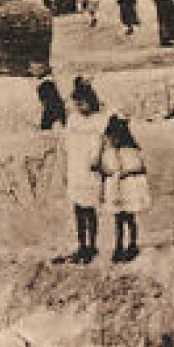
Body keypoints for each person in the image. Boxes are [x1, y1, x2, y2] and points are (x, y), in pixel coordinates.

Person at [57, 76, 106, 263]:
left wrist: (95, 160)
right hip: (76, 166)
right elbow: (68, 144)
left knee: (89, 207)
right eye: (77, 103)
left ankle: (92, 245)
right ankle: (82, 244)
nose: (80, 106)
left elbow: (99, 143)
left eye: (83, 102)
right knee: (77, 207)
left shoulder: (97, 120)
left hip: (90, 167)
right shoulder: (73, 120)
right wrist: (67, 168)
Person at [98, 114, 150, 263]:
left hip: (128, 189)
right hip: (117, 190)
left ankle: (132, 245)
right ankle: (119, 246)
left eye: (114, 138)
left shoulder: (131, 151)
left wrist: (125, 172)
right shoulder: (109, 152)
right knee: (118, 219)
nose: (112, 141)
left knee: (129, 218)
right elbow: (106, 169)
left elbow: (138, 167)